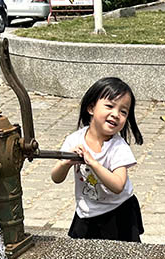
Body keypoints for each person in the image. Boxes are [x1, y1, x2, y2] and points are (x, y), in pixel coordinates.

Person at [51, 77, 145, 242]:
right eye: (109, 106)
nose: (116, 114)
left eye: (123, 111)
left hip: (119, 211)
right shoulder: (75, 140)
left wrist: (92, 162)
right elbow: (56, 178)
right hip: (86, 211)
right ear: (91, 108)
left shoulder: (118, 147)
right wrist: (65, 163)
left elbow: (117, 185)